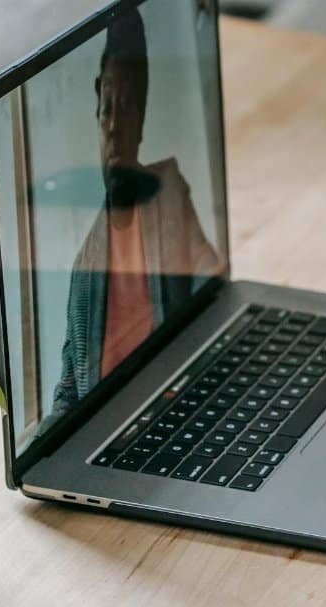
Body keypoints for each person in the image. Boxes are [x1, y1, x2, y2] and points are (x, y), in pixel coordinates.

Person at [52, 8, 219, 413]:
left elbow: (212, 292)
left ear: (142, 120)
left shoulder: (168, 194)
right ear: (97, 113)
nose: (113, 128)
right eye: (108, 108)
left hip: (179, 407)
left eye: (126, 109)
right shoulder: (84, 266)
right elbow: (68, 390)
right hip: (111, 431)